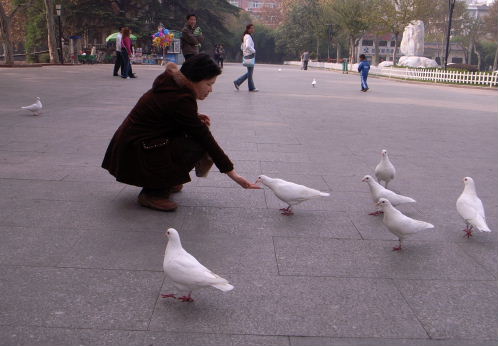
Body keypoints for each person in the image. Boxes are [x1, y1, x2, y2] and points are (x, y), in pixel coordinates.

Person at [102, 54, 260, 212]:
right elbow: (205, 139)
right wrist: (234, 175)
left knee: (193, 135)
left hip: (132, 146)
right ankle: (153, 193)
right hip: (134, 153)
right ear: (194, 79)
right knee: (196, 143)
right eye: (209, 84)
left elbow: (165, 115)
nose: (211, 90)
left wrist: (193, 118)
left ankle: (165, 181)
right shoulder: (180, 97)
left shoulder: (173, 86)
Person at [233, 24, 258, 92]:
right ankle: (251, 87)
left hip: (247, 55)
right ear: (248, 29)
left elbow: (242, 47)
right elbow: (247, 46)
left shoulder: (245, 36)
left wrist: (245, 52)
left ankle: (238, 82)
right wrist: (254, 51)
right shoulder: (248, 37)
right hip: (250, 55)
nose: (253, 30)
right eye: (251, 28)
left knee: (250, 72)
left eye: (253, 28)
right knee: (250, 73)